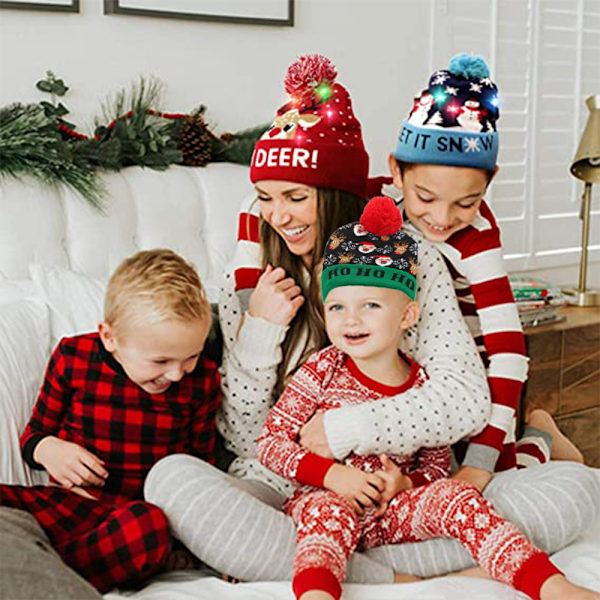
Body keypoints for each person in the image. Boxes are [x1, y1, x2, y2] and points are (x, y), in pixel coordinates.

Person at [145, 54, 598, 582]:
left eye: (296, 197)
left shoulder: (403, 257)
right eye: (267, 199)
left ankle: (331, 565)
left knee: (573, 492)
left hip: (394, 487)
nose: (280, 215)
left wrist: (354, 432)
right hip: (286, 489)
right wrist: (261, 331)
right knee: (171, 481)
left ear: (336, 194)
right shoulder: (248, 277)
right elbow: (247, 440)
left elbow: (465, 397)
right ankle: (397, 574)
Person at [257, 196, 596, 600]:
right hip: (325, 503)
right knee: (328, 515)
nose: (351, 319)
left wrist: (406, 482)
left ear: (407, 316)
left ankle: (549, 584)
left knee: (458, 495)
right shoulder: (323, 368)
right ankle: (317, 594)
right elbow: (270, 443)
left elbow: (436, 467)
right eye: (337, 306)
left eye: (370, 305)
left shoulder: (424, 386)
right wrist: (331, 475)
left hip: (390, 516)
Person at [388, 52, 584, 492]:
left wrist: (482, 455)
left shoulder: (477, 241)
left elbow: (510, 351)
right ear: (395, 173)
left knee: (494, 484)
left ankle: (542, 438)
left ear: (488, 183)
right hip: (414, 377)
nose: (441, 218)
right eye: (425, 197)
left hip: (477, 386)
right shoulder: (384, 214)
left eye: (465, 203)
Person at [0, 249, 220, 593]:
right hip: (68, 505)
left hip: (130, 520)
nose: (177, 374)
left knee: (149, 530)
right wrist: (50, 450)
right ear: (110, 338)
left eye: (191, 357)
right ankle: (39, 558)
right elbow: (33, 436)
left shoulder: (202, 381)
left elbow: (200, 472)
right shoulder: (74, 358)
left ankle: (48, 572)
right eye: (160, 360)